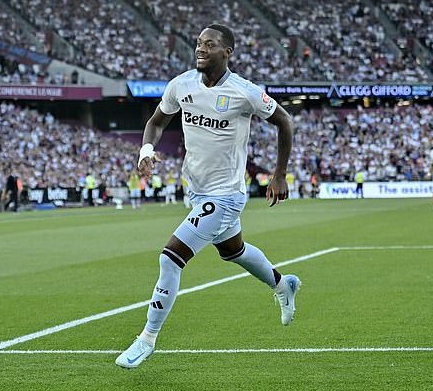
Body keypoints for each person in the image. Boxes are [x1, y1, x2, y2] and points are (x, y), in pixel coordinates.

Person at [115, 24, 300, 369]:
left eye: (209, 44)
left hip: (227, 195)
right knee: (235, 252)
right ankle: (282, 284)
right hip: (195, 190)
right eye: (198, 43)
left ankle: (147, 338)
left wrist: (278, 174)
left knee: (170, 258)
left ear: (226, 52)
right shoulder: (181, 85)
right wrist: (146, 149)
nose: (200, 49)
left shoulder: (244, 92)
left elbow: (285, 121)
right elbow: (156, 121)